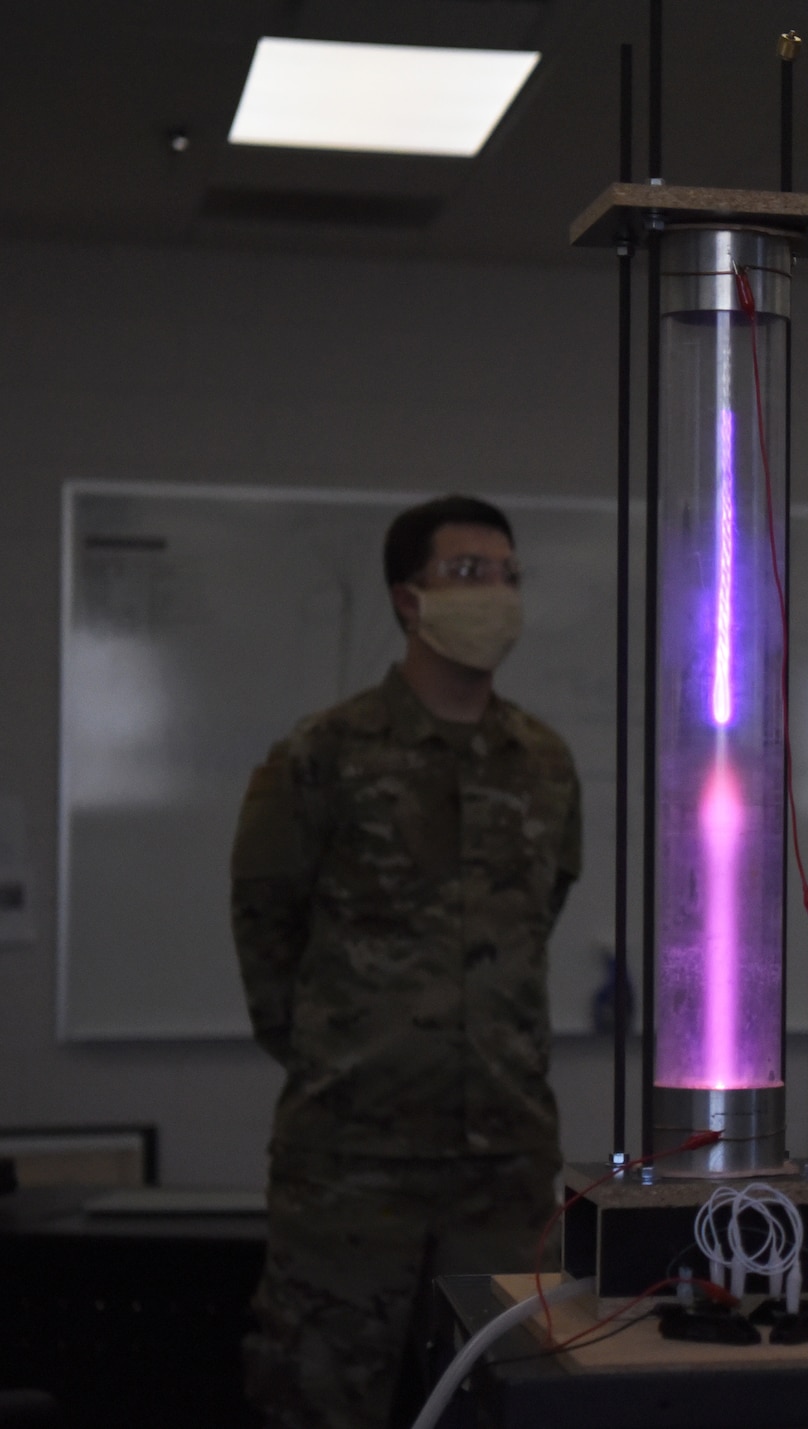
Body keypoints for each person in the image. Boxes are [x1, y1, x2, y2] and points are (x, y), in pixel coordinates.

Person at [231, 495, 583, 1429]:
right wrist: (345, 1058)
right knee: (319, 1398)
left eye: (508, 573)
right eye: (468, 572)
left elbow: (542, 913)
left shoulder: (543, 763)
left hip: (504, 1164)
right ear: (407, 598)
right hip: (352, 1167)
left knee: (507, 1400)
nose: (495, 593)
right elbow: (267, 934)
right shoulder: (322, 757)